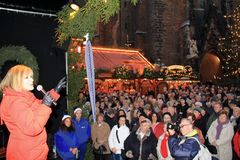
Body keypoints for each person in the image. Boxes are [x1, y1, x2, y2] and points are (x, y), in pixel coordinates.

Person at [0, 65, 64, 160]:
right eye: (27, 77)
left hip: (33, 151)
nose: (31, 80)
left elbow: (38, 106)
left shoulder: (24, 97)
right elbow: (32, 127)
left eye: (31, 77)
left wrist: (53, 93)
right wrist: (46, 104)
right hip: (26, 154)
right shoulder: (15, 102)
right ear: (16, 80)